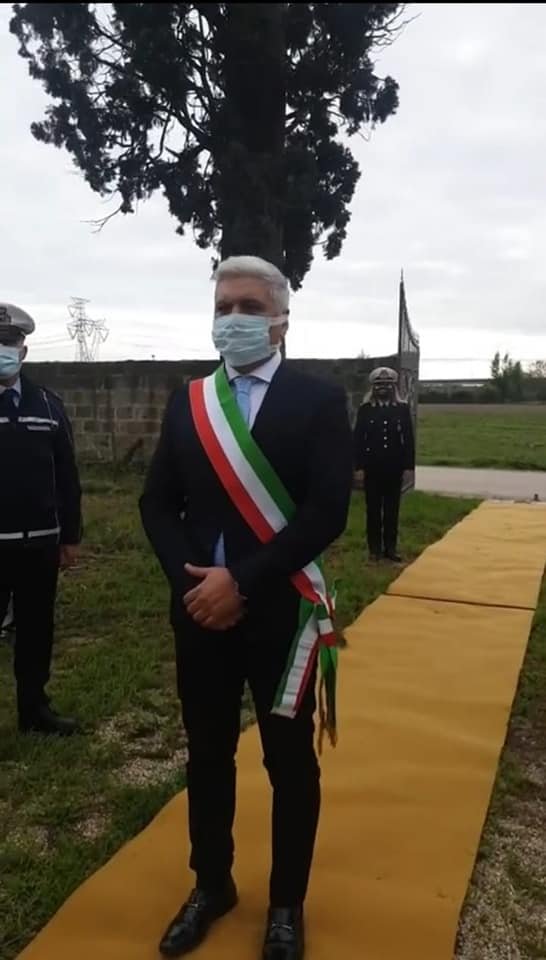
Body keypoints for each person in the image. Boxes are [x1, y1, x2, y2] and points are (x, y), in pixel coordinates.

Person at [140, 256, 353, 960]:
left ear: (281, 321)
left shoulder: (318, 401)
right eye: (223, 306)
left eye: (249, 307)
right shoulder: (189, 402)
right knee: (207, 755)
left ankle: (286, 902)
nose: (233, 319)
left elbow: (326, 512)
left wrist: (244, 581)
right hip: (201, 612)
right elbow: (156, 505)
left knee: (289, 763)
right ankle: (212, 885)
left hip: (280, 614)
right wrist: (194, 586)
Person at [0, 303, 82, 735]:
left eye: (8, 342)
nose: (3, 349)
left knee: (36, 631)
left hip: (40, 544)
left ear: (23, 350)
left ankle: (34, 710)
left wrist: (70, 536)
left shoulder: (48, 405)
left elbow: (67, 475)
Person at [353, 366, 415, 563]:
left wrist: (409, 467)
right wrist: (359, 468)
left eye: (387, 384)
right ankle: (374, 550)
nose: (383, 388)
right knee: (373, 511)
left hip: (394, 468)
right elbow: (358, 440)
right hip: (372, 468)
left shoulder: (402, 409)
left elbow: (408, 439)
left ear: (393, 387)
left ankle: (390, 549)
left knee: (392, 511)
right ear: (373, 387)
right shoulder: (365, 410)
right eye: (379, 384)